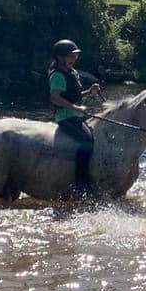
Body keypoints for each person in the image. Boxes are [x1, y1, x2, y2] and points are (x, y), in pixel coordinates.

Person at [48, 39, 98, 192]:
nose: (74, 59)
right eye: (70, 56)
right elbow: (55, 98)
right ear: (60, 57)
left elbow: (75, 95)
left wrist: (89, 92)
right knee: (87, 141)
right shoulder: (57, 75)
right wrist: (76, 107)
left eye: (75, 56)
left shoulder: (73, 73)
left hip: (76, 115)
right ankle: (81, 183)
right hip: (65, 117)